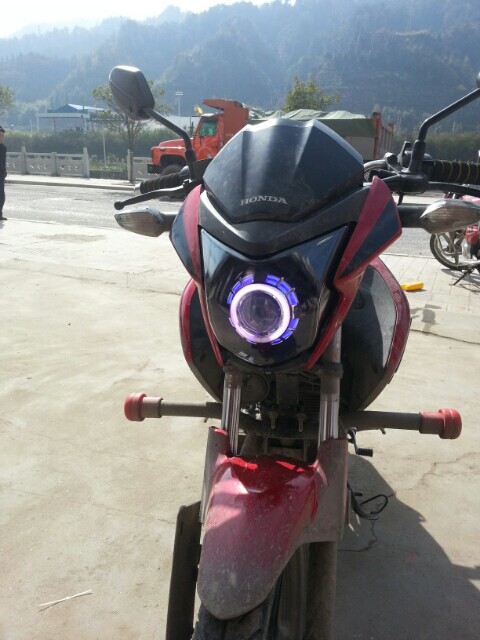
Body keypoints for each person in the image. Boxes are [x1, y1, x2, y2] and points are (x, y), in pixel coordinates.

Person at [0, 125, 6, 220]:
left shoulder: (4, 148)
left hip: (1, 174)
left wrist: (4, 171)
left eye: (2, 136)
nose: (1, 138)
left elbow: (3, 161)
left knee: (1, 195)